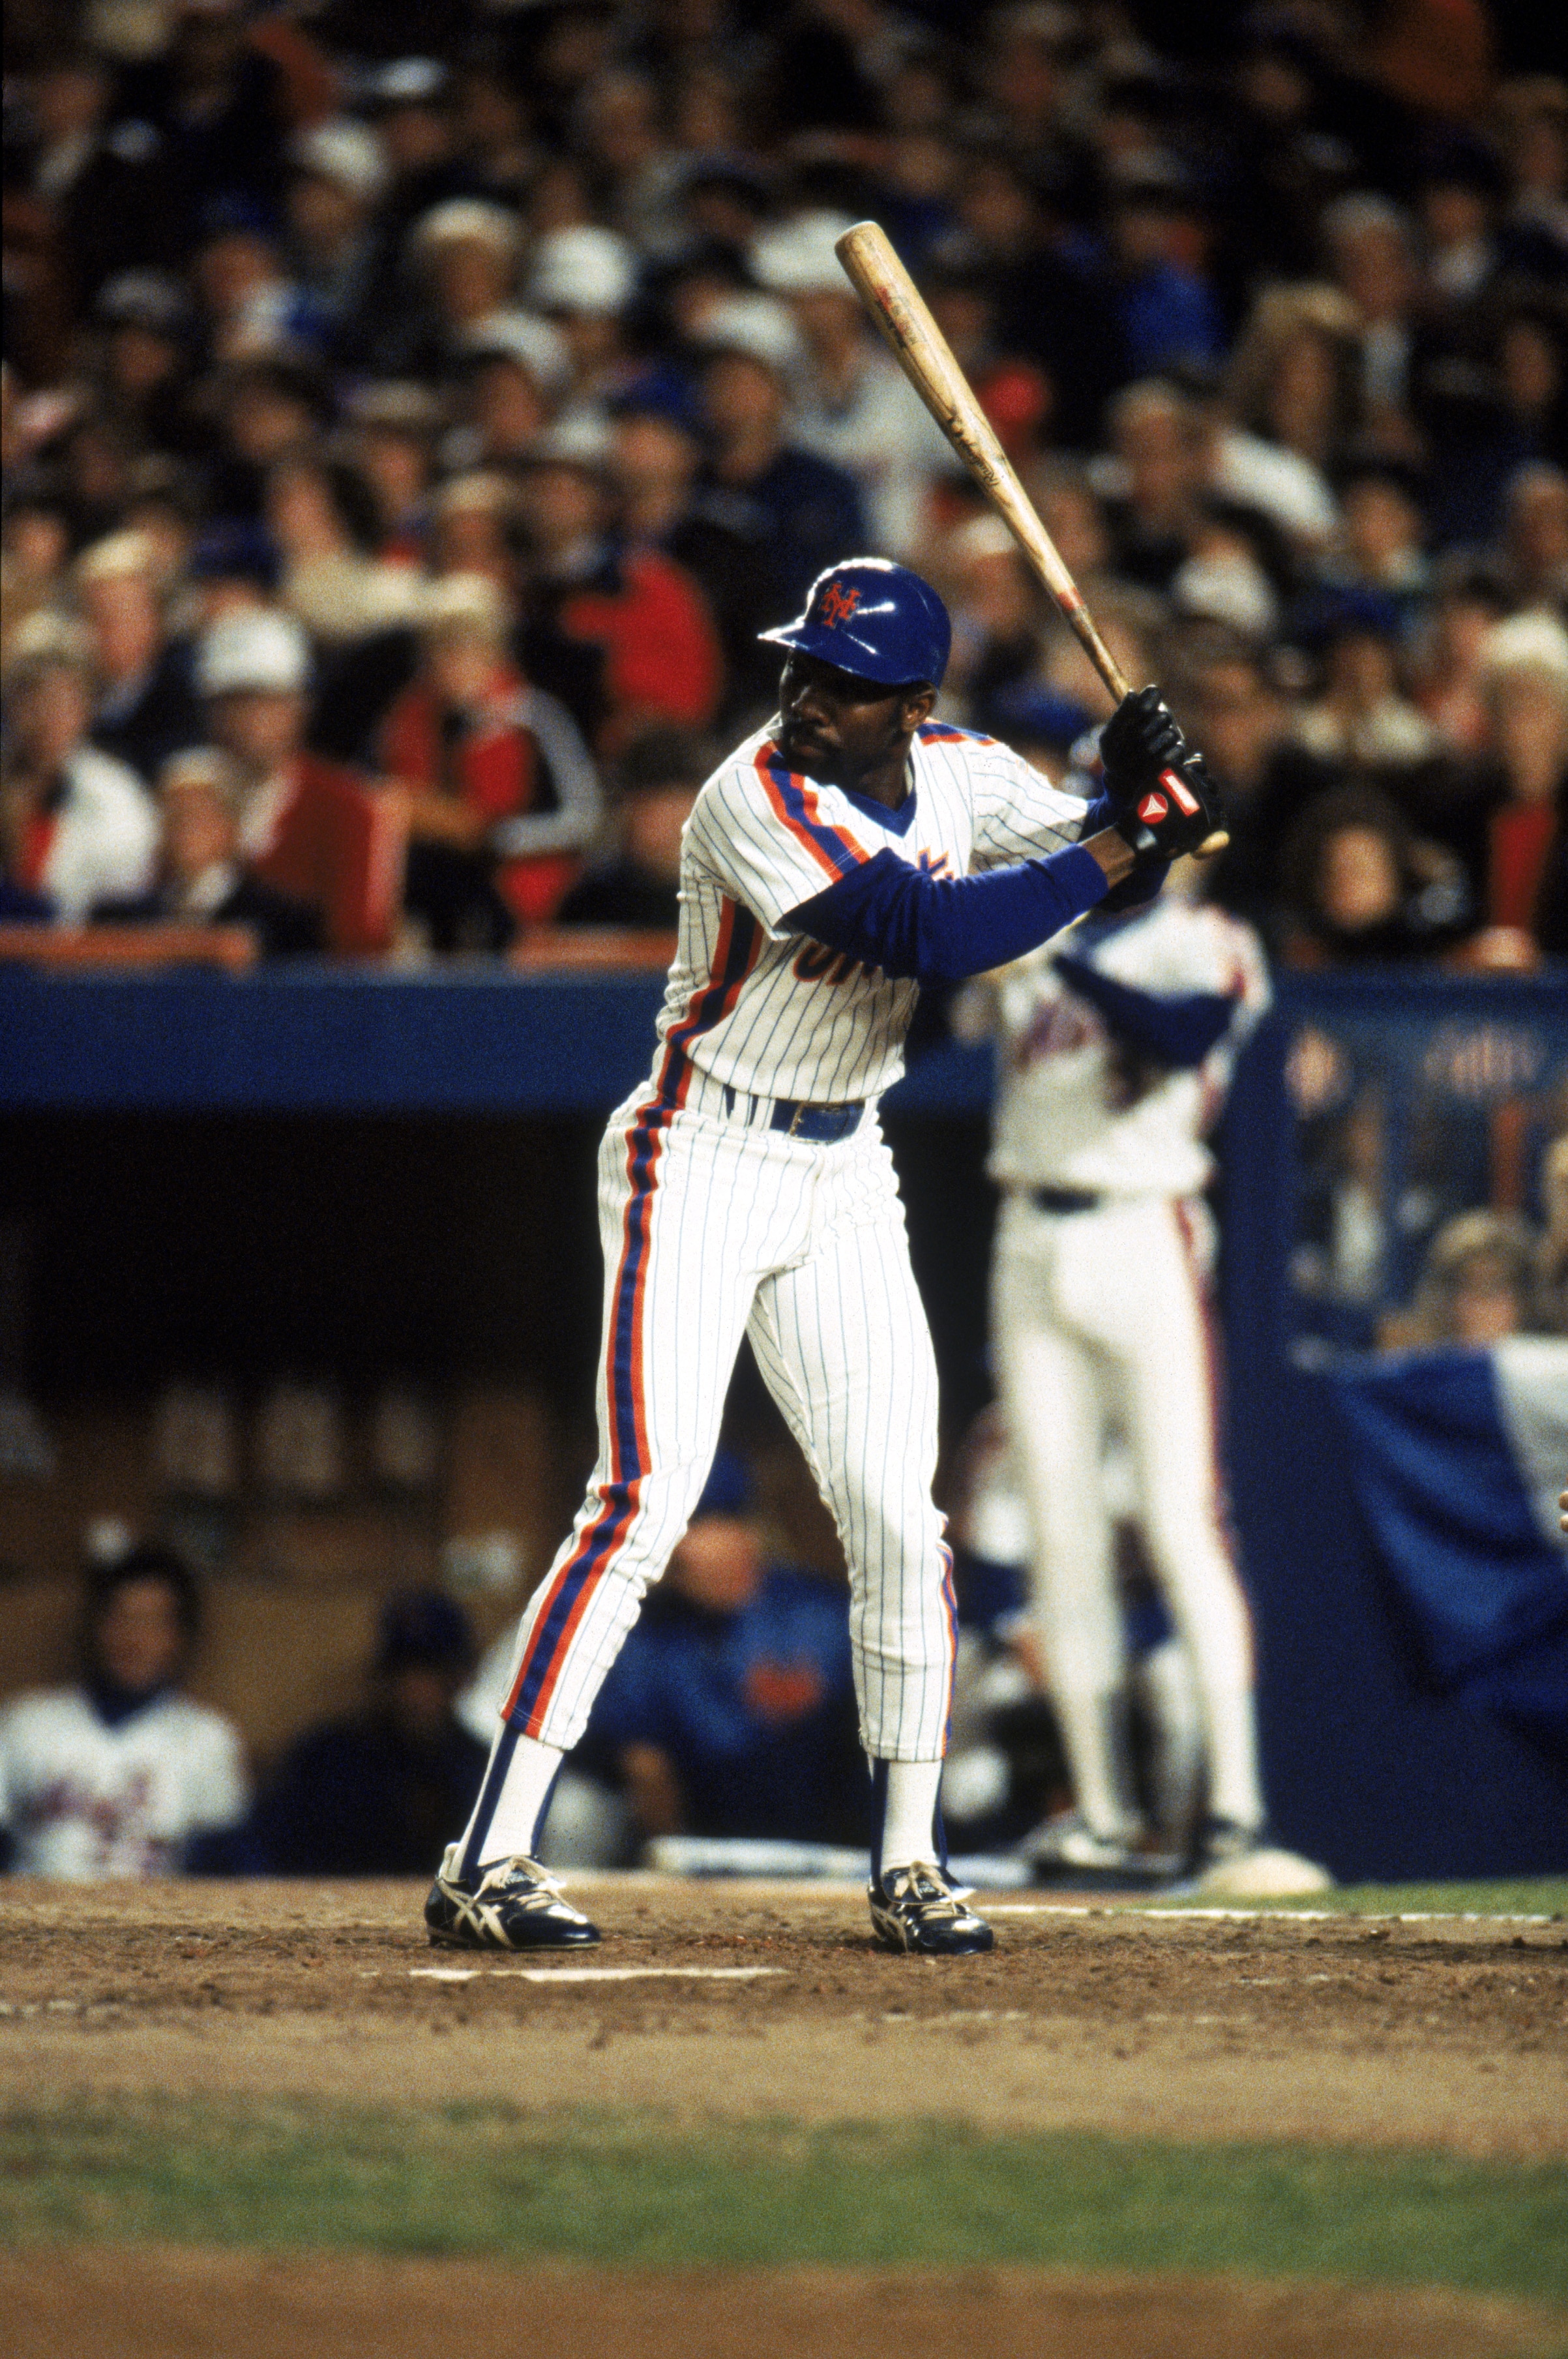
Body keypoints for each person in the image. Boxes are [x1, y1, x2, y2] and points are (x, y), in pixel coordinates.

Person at [422, 553, 1223, 1959]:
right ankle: (486, 1856)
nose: (805, 696)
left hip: (842, 1161)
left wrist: (1148, 786)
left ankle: (910, 1862)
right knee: (644, 1500)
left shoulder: (960, 771)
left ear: (909, 703)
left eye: (844, 686)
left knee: (897, 1516)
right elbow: (935, 926)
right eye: (801, 666)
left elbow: (1102, 841)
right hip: (700, 1148)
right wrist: (1126, 843)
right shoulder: (753, 795)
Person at [955, 872, 1325, 1891]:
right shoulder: (1040, 928)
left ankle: (1236, 1807)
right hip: (1028, 1229)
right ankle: (1102, 1812)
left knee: (1179, 1519)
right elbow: (944, 1020)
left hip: (1142, 1226)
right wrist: (997, 935)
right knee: (1060, 1541)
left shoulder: (1202, 933)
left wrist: (1059, 960)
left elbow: (1184, 1037)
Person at [580, 1451, 864, 1850]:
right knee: (577, 1810)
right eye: (687, 1531)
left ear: (753, 1531)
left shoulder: (821, 1615)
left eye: (728, 1523)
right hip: (707, 1850)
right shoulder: (643, 1639)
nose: (705, 1549)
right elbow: (647, 1776)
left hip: (835, 1845)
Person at [0, 1543, 248, 1878]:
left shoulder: (208, 1736)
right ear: (96, 1625)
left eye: (153, 1623)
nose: (135, 1638)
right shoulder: (26, 1723)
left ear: (178, 1637)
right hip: (34, 1922)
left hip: (160, 1925)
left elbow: (225, 1868)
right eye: (122, 1618)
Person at [250, 1593, 488, 1876]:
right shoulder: (326, 1760)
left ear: (462, 1675)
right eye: (402, 1671)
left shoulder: (483, 1769)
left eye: (432, 1671)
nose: (415, 1688)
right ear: (382, 1675)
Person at [91, 746, 323, 955]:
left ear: (233, 827)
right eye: (174, 815)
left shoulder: (283, 921)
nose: (185, 827)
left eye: (200, 815)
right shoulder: (124, 920)